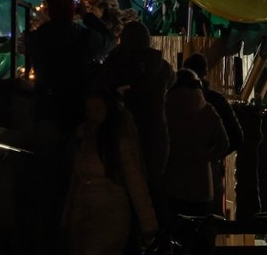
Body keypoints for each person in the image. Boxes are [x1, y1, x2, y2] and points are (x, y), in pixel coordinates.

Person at [26, 0, 116, 254]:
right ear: (72, 10)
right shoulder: (83, 36)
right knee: (75, 183)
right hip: (76, 113)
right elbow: (110, 41)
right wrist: (89, 18)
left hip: (46, 112)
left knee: (46, 181)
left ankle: (46, 238)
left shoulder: (35, 39)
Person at [62, 88, 158, 255]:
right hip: (82, 215)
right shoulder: (84, 139)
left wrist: (149, 225)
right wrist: (66, 216)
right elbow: (75, 181)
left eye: (97, 109)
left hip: (110, 215)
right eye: (89, 110)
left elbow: (136, 183)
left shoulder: (119, 142)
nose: (92, 115)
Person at [96, 20, 176, 218]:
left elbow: (101, 90)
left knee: (125, 192)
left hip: (123, 134)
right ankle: (157, 239)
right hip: (155, 136)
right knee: (152, 190)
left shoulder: (115, 64)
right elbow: (171, 81)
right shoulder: (161, 67)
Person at [163, 68, 231, 221]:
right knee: (198, 231)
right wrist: (206, 156)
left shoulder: (165, 109)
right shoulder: (207, 110)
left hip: (172, 180)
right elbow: (224, 144)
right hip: (201, 184)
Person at [181, 53, 244, 217]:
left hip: (176, 172)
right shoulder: (214, 102)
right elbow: (236, 137)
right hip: (208, 172)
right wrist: (213, 157)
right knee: (208, 223)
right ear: (205, 73)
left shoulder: (168, 101)